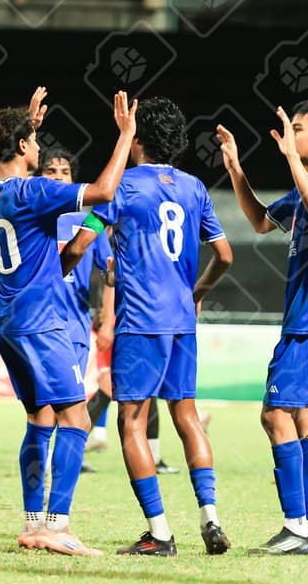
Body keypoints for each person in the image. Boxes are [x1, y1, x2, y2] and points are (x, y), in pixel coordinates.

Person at [62, 97, 232, 556]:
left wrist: (51, 272)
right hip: (181, 321)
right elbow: (226, 255)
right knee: (187, 416)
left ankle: (159, 533)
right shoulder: (195, 188)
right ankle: (210, 519)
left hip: (140, 322)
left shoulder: (122, 188)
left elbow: (80, 245)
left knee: (131, 422)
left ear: (136, 140)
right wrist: (197, 292)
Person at [0, 86, 136, 556]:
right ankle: (57, 526)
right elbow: (103, 192)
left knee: (37, 417)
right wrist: (125, 135)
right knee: (76, 416)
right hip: (40, 321)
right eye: (33, 142)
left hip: (3, 321)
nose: (41, 149)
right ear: (22, 148)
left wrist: (22, 126)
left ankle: (31, 522)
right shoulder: (33, 191)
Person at [217, 100, 308, 555]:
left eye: (297, 130)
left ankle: (295, 528)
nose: (289, 136)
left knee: (274, 415)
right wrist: (237, 169)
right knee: (303, 418)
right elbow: (259, 221)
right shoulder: (305, 186)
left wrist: (293, 161)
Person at [38, 146, 178, 475]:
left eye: (64, 172)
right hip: (37, 319)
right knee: (43, 398)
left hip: (73, 322)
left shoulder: (89, 220)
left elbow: (108, 274)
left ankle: (64, 458)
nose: (58, 177)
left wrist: (108, 319)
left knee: (70, 396)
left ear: (74, 180)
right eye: (50, 171)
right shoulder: (33, 215)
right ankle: (45, 460)